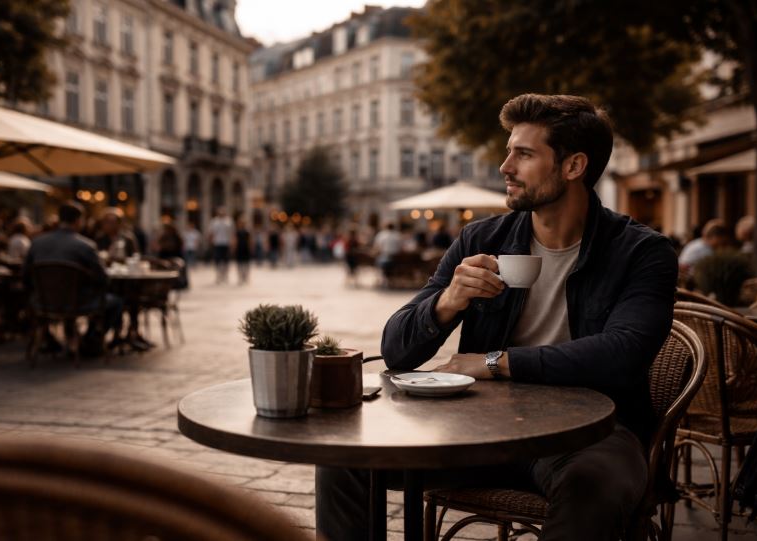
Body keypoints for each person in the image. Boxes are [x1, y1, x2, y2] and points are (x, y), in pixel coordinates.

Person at [316, 94, 679, 541]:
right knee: (343, 457)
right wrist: (447, 301)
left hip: (588, 435)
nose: (505, 167)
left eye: (523, 154)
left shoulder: (641, 252)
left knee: (594, 486)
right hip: (478, 430)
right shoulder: (480, 238)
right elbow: (396, 349)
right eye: (509, 151)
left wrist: (495, 361)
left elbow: (623, 353)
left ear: (573, 166)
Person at [23, 202, 123, 357]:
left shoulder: (37, 243)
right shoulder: (85, 246)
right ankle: (91, 340)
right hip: (77, 302)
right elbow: (102, 279)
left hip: (41, 301)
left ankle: (53, 340)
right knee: (116, 302)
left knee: (72, 295)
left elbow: (26, 274)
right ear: (78, 220)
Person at [207, 207, 234, 284]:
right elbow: (211, 233)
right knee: (217, 260)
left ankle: (225, 275)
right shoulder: (214, 221)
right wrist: (210, 242)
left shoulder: (229, 221)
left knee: (226, 260)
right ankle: (218, 275)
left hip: (226, 243)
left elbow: (232, 233)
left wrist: (232, 243)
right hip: (217, 243)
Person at [234, 216, 252, 284]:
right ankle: (240, 277)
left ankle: (246, 277)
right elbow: (235, 240)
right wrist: (234, 248)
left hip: (245, 248)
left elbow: (250, 241)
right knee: (239, 264)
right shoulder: (237, 231)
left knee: (246, 264)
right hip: (239, 248)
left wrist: (250, 248)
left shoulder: (247, 231)